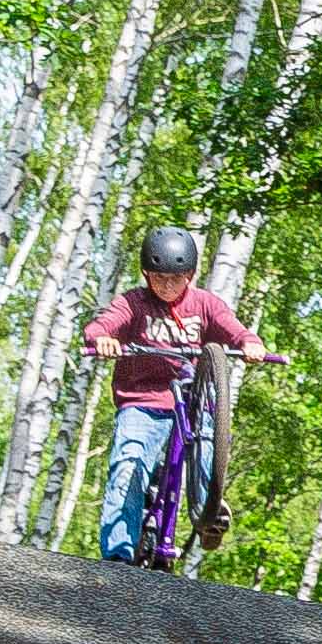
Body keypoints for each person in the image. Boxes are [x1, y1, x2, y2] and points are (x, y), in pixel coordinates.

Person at [75, 225, 253, 566]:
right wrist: (102, 339)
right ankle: (119, 554)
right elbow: (101, 326)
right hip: (143, 401)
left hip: (189, 400)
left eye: (177, 278)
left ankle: (209, 509)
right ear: (146, 274)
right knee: (129, 463)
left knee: (206, 439)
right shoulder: (133, 303)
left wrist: (249, 342)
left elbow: (232, 327)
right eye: (159, 278)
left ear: (190, 274)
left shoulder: (204, 304)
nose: (168, 286)